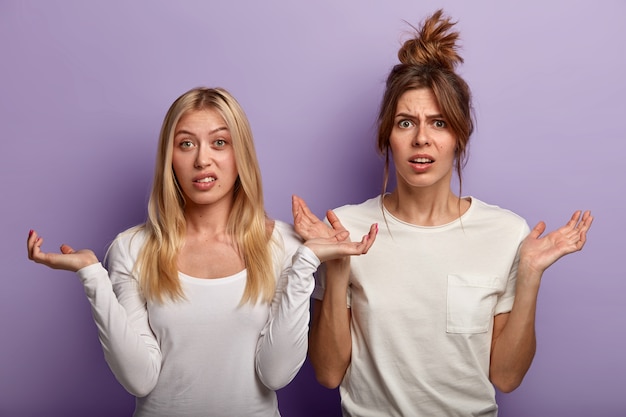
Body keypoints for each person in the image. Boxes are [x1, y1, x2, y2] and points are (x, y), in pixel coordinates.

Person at [293, 9, 594, 417]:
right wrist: (340, 263)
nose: (421, 139)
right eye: (405, 123)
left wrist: (529, 277)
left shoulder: (506, 233)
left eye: (438, 122)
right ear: (387, 137)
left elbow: (505, 378)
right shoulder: (344, 229)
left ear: (459, 136)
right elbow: (328, 374)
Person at [26, 87, 377, 417]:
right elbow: (139, 379)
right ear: (170, 158)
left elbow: (276, 374)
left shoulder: (283, 246)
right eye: (186, 144)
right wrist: (92, 275)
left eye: (219, 142)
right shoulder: (132, 249)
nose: (202, 159)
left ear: (240, 155)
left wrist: (306, 263)